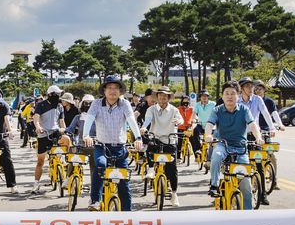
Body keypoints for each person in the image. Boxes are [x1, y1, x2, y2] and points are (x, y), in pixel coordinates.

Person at [83, 75, 143, 211]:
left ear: (120, 91)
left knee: (124, 182)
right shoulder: (97, 103)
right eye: (109, 88)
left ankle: (127, 214)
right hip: (101, 146)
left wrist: (138, 138)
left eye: (116, 88)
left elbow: (131, 120)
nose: (113, 91)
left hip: (120, 147)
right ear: (104, 90)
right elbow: (89, 119)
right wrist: (86, 135)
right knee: (100, 165)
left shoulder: (125, 104)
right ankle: (95, 200)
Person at [204, 81, 265, 209]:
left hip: (241, 148)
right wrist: (208, 135)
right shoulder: (217, 110)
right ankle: (214, 185)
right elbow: (209, 124)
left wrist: (258, 137)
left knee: (246, 186)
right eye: (227, 93)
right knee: (216, 155)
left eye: (233, 93)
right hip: (223, 144)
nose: (229, 96)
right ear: (222, 96)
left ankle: (248, 214)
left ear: (238, 95)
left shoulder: (244, 109)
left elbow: (252, 125)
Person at [141, 86, 183, 206]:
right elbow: (148, 120)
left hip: (170, 139)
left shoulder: (174, 110)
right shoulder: (152, 109)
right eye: (160, 95)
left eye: (165, 95)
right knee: (150, 147)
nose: (162, 98)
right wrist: (144, 127)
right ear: (157, 97)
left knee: (172, 169)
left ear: (168, 97)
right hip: (156, 137)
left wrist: (178, 122)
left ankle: (174, 194)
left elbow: (180, 119)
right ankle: (150, 170)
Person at [32, 85, 71, 194]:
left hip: (55, 133)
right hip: (43, 134)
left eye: (59, 94)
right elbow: (36, 118)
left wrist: (63, 128)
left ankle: (66, 166)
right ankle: (36, 183)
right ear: (49, 95)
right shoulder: (41, 105)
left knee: (67, 139)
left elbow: (62, 121)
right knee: (40, 161)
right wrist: (38, 127)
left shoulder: (60, 106)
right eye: (56, 94)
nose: (58, 96)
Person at [193, 89, 216, 160]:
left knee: (214, 140)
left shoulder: (213, 104)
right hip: (201, 125)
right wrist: (194, 119)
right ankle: (198, 149)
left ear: (208, 97)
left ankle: (213, 155)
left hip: (211, 125)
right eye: (203, 96)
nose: (204, 98)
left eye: (206, 96)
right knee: (195, 130)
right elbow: (194, 114)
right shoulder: (197, 104)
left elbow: (217, 113)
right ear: (200, 97)